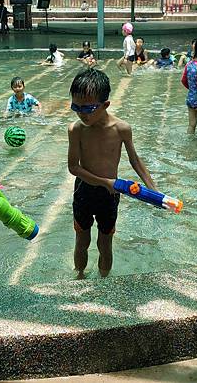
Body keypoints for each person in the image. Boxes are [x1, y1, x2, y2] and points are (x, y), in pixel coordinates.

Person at [67, 68, 157, 279]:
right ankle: (79, 276)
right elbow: (74, 167)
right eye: (76, 107)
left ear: (105, 104)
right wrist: (105, 181)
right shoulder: (76, 130)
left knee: (105, 244)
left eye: (88, 108)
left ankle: (104, 282)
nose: (82, 113)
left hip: (110, 194)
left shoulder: (121, 129)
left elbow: (135, 160)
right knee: (82, 241)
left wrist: (153, 190)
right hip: (84, 191)